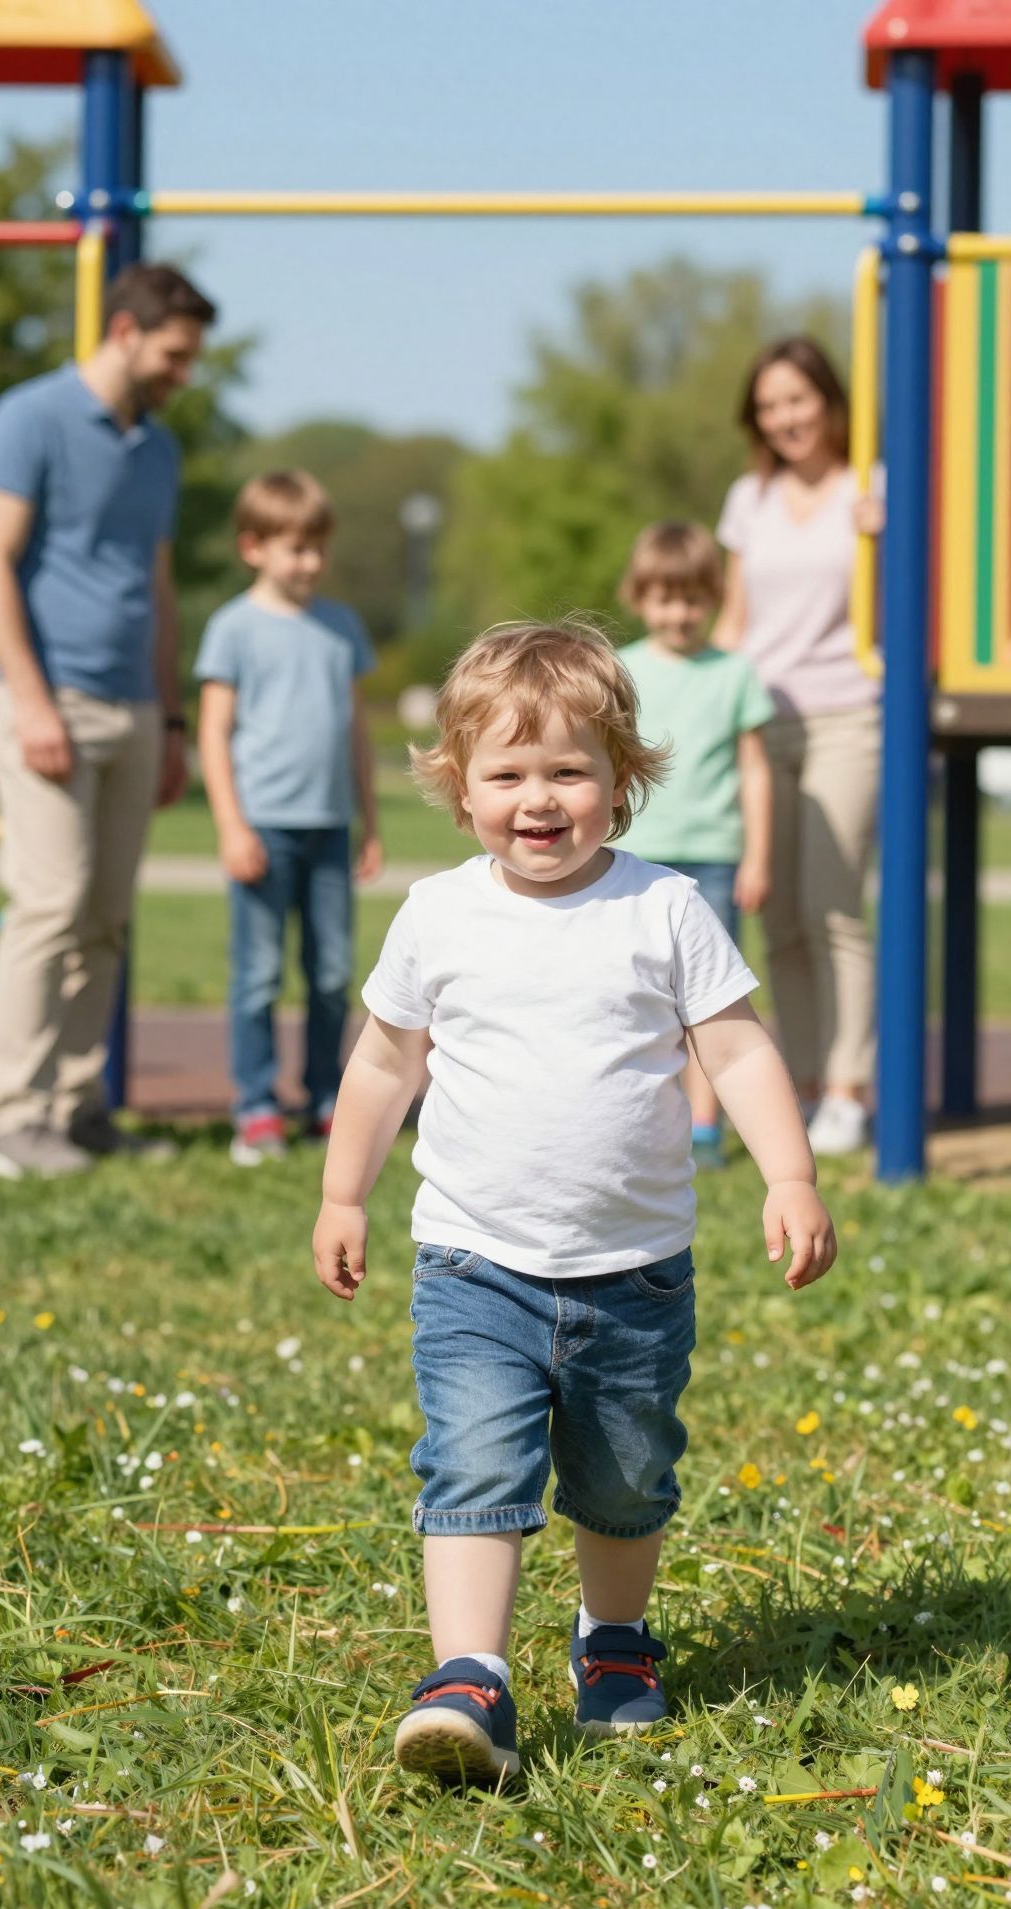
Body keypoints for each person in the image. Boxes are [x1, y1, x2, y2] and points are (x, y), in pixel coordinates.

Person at [312, 620, 836, 1785]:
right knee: (474, 1465)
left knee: (624, 1473)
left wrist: (790, 1173)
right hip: (473, 1264)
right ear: (459, 786)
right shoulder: (441, 914)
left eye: (569, 771)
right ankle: (470, 1676)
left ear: (623, 778)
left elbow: (739, 1051)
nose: (538, 800)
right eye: (507, 774)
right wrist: (343, 1190)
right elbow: (384, 1062)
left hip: (635, 1269)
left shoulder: (663, 911)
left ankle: (613, 1639)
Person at [0, 262, 216, 1180]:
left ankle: (78, 1109)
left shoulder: (158, 450)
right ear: (124, 330)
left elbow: (154, 588)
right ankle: (15, 1120)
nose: (183, 373)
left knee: (106, 916)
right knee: (50, 903)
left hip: (134, 708)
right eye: (175, 355)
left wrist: (174, 720)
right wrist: (32, 702)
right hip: (45, 699)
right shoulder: (25, 420)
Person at [715, 335, 884, 1156]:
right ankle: (808, 1084)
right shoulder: (750, 498)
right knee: (776, 914)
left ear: (829, 401)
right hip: (761, 715)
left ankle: (850, 1087)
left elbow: (904, 602)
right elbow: (735, 619)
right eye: (770, 405)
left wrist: (887, 537)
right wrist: (703, 695)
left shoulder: (871, 489)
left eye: (798, 399)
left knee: (833, 905)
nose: (785, 417)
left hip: (849, 713)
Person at [196, 470, 382, 1165]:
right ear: (254, 547)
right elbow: (214, 734)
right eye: (293, 548)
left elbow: (356, 732)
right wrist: (231, 827)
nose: (307, 562)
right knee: (258, 974)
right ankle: (255, 1106)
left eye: (316, 548)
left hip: (329, 827)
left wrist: (369, 822)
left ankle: (326, 1096)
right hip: (262, 828)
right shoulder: (232, 628)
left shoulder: (341, 628)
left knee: (332, 972)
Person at [618, 521, 775, 1168]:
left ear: (713, 598)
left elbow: (755, 770)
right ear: (639, 597)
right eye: (663, 598)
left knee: (708, 998)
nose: (678, 614)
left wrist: (758, 856)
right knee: (633, 992)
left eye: (691, 600)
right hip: (636, 856)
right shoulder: (620, 669)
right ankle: (643, 1119)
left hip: (714, 854)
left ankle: (705, 1127)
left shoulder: (734, 675)